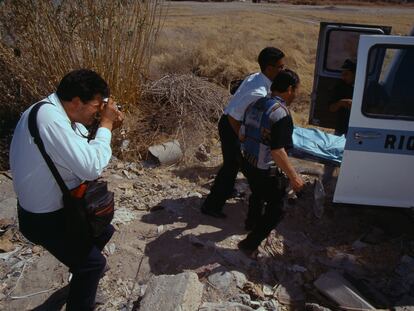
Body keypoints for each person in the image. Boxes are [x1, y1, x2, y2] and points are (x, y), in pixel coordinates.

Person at [10, 69, 124, 310]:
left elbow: (83, 148)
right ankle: (82, 284)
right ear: (75, 102)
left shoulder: (53, 112)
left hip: (54, 210)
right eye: (96, 105)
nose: (98, 111)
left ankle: (80, 277)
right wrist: (106, 124)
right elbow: (91, 167)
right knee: (93, 265)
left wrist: (104, 125)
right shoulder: (50, 120)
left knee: (103, 230)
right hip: (44, 219)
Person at [201, 47, 286, 218]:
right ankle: (212, 205)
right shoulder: (259, 92)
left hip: (235, 123)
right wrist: (242, 137)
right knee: (232, 165)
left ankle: (224, 192)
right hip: (231, 125)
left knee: (233, 164)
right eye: (280, 67)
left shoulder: (257, 77)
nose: (283, 70)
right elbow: (234, 117)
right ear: (269, 68)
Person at [237, 69, 304, 257]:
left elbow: (242, 134)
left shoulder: (255, 104)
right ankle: (250, 243)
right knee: (278, 207)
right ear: (290, 89)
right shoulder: (281, 114)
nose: (296, 94)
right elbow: (278, 151)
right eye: (296, 90)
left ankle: (251, 222)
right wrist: (294, 177)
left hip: (247, 161)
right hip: (264, 168)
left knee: (257, 192)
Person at [328, 59, 356, 136]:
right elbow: (331, 108)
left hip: (357, 128)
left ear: (355, 74)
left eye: (346, 74)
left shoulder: (363, 87)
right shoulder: (339, 87)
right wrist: (341, 103)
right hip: (341, 129)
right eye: (342, 74)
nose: (343, 77)